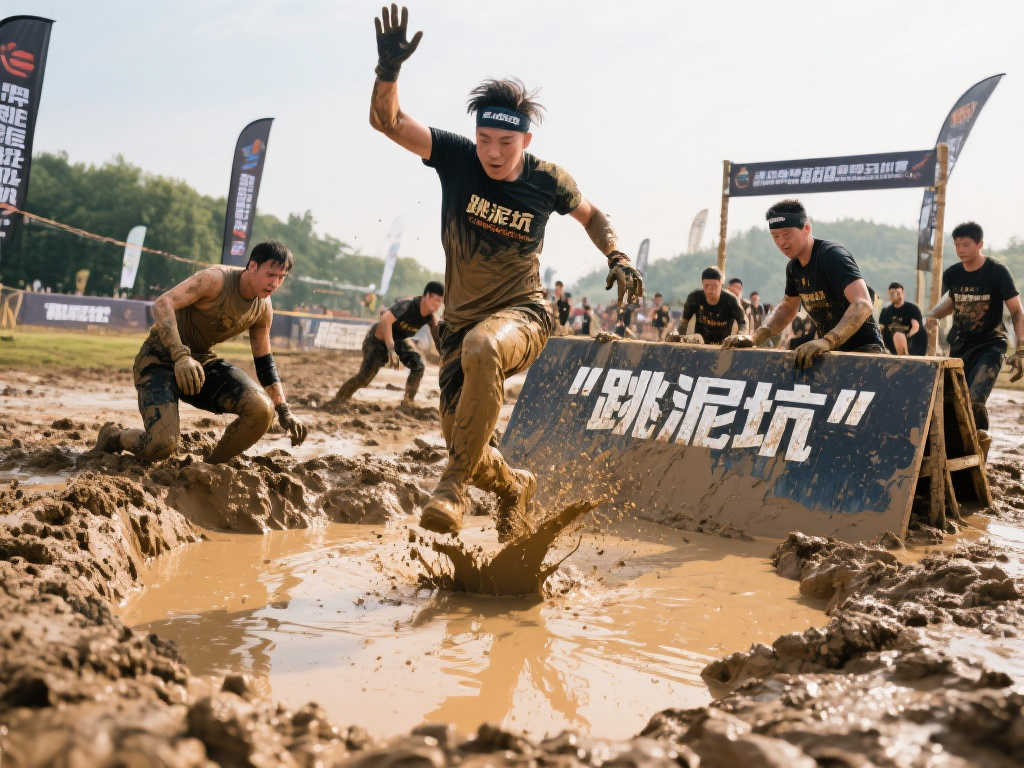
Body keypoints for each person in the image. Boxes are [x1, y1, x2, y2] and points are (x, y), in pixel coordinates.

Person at [369, 5, 643, 540]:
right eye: (485, 140)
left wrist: (618, 254)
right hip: (458, 329)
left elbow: (593, 215)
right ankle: (515, 486)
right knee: (465, 437)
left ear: (526, 142)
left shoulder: (547, 180)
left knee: (484, 349)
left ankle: (450, 489)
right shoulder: (455, 156)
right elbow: (388, 122)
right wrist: (388, 72)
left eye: (506, 144)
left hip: (524, 315)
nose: (493, 153)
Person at [95, 241, 308, 463]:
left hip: (200, 364)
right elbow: (162, 304)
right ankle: (115, 436)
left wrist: (283, 410)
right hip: (159, 359)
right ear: (252, 267)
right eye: (271, 274)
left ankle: (211, 467)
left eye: (281, 277)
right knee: (161, 446)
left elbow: (264, 362)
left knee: (263, 410)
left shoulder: (264, 307)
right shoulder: (215, 280)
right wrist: (180, 356)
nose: (275, 283)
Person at [722, 199, 884, 366]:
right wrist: (755, 337)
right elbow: (788, 308)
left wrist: (827, 341)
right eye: (775, 236)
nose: (781, 242)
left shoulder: (832, 255)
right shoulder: (793, 268)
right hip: (831, 353)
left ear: (806, 228)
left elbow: (863, 303)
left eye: (786, 234)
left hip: (864, 351)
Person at [925, 221, 1024, 453]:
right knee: (952, 403)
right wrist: (931, 316)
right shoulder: (953, 274)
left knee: (975, 399)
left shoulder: (997, 272)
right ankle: (956, 454)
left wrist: (1020, 350)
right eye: (957, 244)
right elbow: (952, 302)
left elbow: (1017, 311)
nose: (960, 249)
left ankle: (979, 450)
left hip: (990, 346)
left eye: (966, 244)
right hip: (960, 346)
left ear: (979, 244)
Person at [330, 281, 443, 406]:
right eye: (436, 300)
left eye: (441, 301)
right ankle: (339, 399)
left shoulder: (431, 318)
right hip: (377, 341)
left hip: (399, 342)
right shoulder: (407, 305)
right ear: (427, 296)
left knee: (418, 366)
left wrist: (444, 357)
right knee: (364, 378)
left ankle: (408, 402)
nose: (438, 305)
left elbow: (438, 339)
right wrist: (390, 349)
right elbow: (385, 320)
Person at [672, 266, 747, 344]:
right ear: (702, 284)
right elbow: (684, 322)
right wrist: (679, 338)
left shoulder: (731, 300)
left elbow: (742, 323)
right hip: (700, 344)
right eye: (706, 286)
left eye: (715, 286)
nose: (710, 290)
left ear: (721, 284)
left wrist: (740, 337)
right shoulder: (695, 298)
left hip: (723, 346)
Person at [879, 282, 925, 356]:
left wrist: (907, 337)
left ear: (903, 293)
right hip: (890, 346)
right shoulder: (885, 311)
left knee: (898, 335)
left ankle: (904, 356)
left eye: (898, 293)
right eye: (892, 293)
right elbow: (881, 328)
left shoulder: (912, 309)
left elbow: (915, 326)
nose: (895, 295)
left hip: (909, 344)